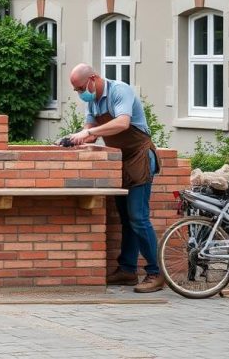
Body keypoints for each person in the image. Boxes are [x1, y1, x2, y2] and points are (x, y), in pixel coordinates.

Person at [62, 63, 164, 293]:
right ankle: (127, 270)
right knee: (126, 218)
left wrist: (88, 132)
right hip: (120, 160)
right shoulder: (93, 100)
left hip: (139, 157)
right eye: (76, 90)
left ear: (93, 79)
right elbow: (89, 130)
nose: (80, 93)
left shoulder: (120, 90)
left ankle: (155, 273)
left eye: (80, 88)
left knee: (139, 217)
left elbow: (122, 123)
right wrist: (73, 139)